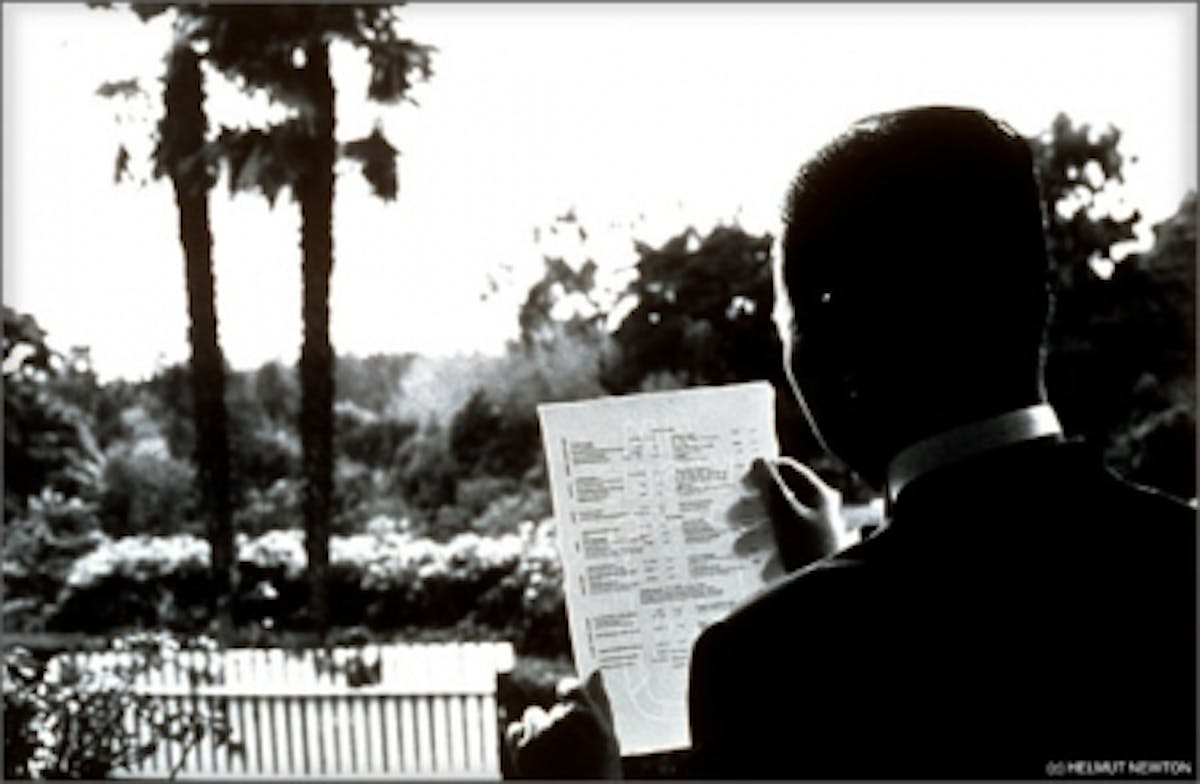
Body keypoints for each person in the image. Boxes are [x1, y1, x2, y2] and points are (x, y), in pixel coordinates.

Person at [506, 106, 1197, 779]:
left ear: (828, 335)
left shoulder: (764, 662)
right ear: (1034, 299)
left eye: (786, 321)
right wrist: (829, 570)